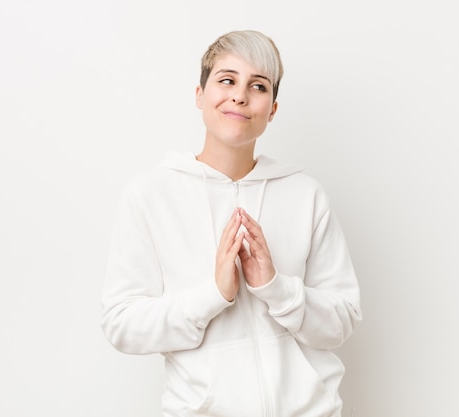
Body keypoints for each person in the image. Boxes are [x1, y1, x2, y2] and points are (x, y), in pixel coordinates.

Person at [101, 29, 362, 417]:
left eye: (258, 85)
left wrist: (277, 290)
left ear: (272, 109)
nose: (240, 95)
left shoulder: (306, 195)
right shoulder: (150, 195)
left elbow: (342, 321)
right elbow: (122, 324)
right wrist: (213, 295)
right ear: (200, 94)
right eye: (227, 80)